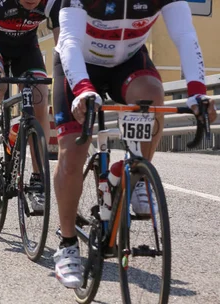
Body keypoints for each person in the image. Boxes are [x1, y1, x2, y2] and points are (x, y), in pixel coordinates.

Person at [52, 0, 218, 289]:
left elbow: (184, 34)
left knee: (152, 96)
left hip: (128, 62)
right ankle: (67, 244)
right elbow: (68, 41)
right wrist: (82, 89)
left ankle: (137, 175)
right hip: (79, 62)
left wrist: (197, 91)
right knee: (72, 151)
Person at [0, 0, 60, 208]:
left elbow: (64, 45)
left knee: (40, 97)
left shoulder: (53, 2)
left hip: (27, 49)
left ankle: (38, 179)